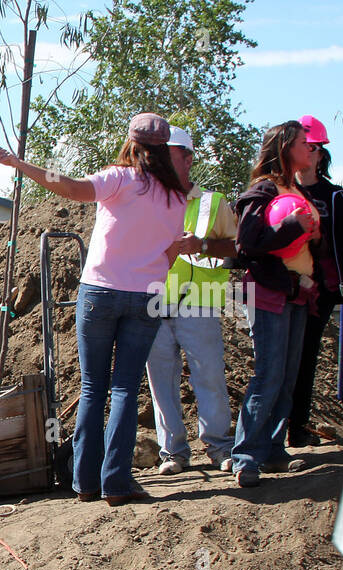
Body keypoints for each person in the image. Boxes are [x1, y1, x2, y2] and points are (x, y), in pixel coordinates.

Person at [0, 113, 190, 505]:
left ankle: (85, 483)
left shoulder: (119, 177)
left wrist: (18, 163)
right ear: (166, 149)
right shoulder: (176, 196)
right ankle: (117, 483)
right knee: (126, 389)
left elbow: (69, 187)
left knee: (93, 387)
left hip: (100, 290)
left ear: (131, 144)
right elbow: (171, 252)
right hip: (146, 295)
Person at [231, 121, 322, 486]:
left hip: (296, 291)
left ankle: (271, 451)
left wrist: (312, 234)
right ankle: (245, 457)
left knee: (286, 375)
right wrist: (293, 227)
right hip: (268, 291)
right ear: (285, 148)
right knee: (269, 374)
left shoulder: (294, 188)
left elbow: (296, 240)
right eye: (304, 143)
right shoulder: (263, 190)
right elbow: (247, 243)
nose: (311, 148)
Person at [146, 127, 238, 475]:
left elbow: (235, 248)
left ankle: (218, 445)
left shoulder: (213, 204)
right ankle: (173, 453)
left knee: (209, 376)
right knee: (161, 383)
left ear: (187, 158)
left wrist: (201, 245)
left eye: (167, 156)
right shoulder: (148, 203)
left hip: (199, 301)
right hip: (154, 303)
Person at [288, 116, 343, 449]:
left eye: (314, 147)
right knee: (279, 359)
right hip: (284, 289)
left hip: (321, 293)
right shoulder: (279, 192)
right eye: (304, 146)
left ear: (320, 155)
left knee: (305, 358)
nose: (308, 152)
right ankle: (276, 429)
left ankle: (297, 427)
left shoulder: (334, 198)